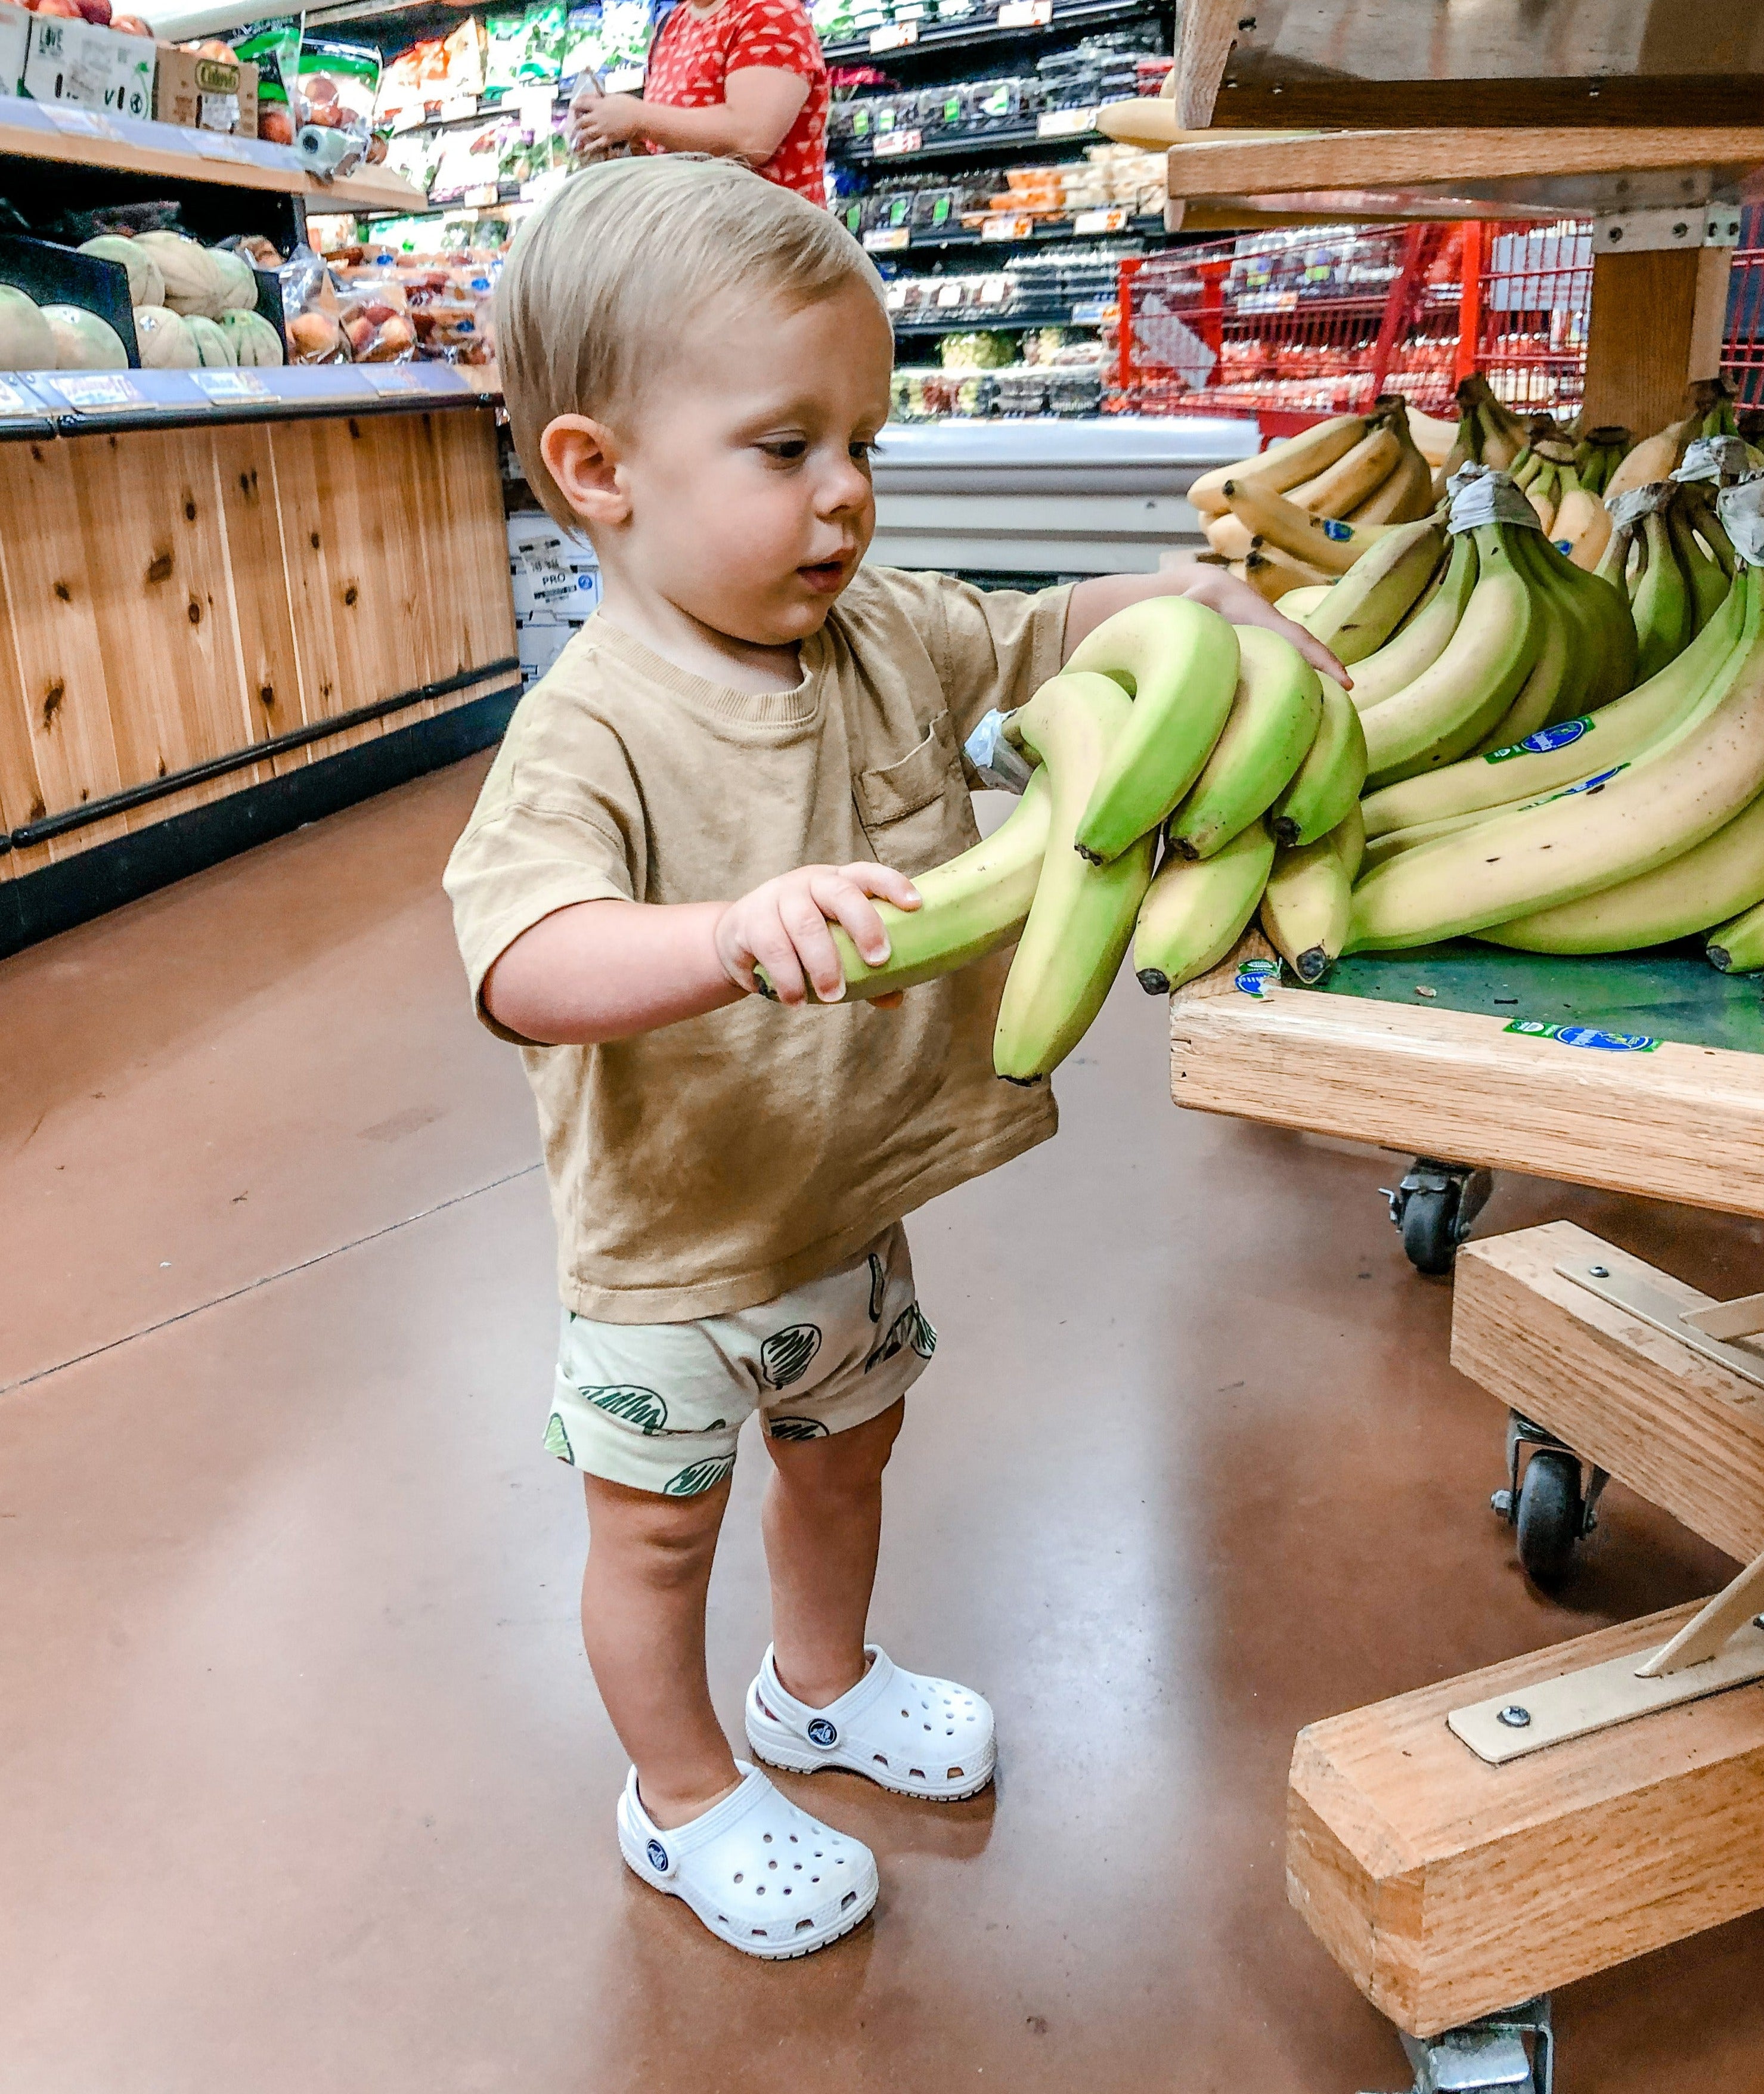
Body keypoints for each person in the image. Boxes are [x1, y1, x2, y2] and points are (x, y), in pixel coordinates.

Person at [445, 154, 1342, 1960]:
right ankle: (680, 1794)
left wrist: (1170, 599)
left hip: (843, 1211)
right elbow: (520, 957)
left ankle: (818, 1685)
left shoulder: (882, 633)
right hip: (672, 1259)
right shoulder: (586, 731)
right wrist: (715, 937)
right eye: (784, 448)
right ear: (596, 473)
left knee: (845, 1464)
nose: (845, 491)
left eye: (866, 437)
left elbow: (1033, 639)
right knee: (650, 1542)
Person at [566, 0, 828, 200]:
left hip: (771, 252)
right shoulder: (672, 24)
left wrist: (638, 118)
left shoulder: (771, 13)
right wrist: (622, 146)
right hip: (698, 250)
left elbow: (751, 137)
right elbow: (672, 147)